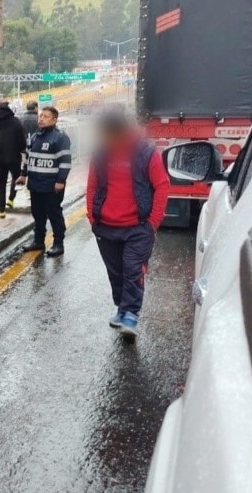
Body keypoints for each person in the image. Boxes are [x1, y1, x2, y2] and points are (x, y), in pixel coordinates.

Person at [85, 110, 171, 341]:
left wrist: (153, 222)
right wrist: (92, 217)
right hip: (106, 226)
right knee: (116, 272)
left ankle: (131, 313)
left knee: (133, 269)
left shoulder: (146, 153)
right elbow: (92, 186)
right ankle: (121, 308)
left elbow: (162, 185)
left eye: (106, 134)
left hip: (138, 227)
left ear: (120, 131)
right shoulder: (101, 154)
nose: (104, 139)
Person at [16, 106, 70, 258]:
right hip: (35, 184)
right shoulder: (34, 137)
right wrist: (23, 174)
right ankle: (38, 241)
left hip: (51, 185)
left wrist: (60, 181)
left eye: (46, 116)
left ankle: (58, 243)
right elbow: (27, 157)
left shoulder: (60, 138)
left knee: (54, 214)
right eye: (41, 116)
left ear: (54, 119)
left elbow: (65, 162)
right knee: (37, 214)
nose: (41, 119)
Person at [0, 101, 25, 218]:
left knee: (1, 183)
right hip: (14, 156)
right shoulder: (15, 121)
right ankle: (11, 199)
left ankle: (1, 210)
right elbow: (21, 140)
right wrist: (22, 149)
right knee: (16, 178)